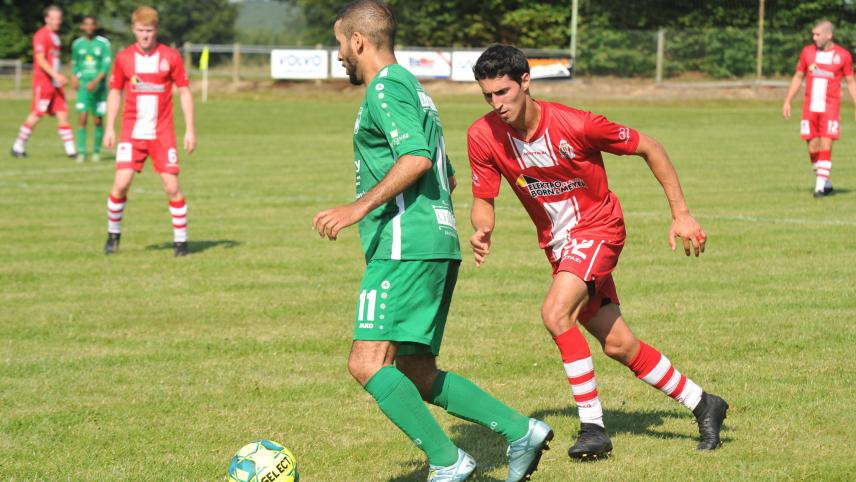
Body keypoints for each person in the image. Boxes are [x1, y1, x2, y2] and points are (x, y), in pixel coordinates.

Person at [312, 3, 551, 481]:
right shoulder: (413, 89)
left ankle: (448, 460)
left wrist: (358, 207)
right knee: (416, 370)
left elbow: (417, 158)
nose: (339, 54)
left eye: (340, 43)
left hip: (406, 244)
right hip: (434, 241)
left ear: (358, 41)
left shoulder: (384, 87)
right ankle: (520, 431)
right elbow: (449, 174)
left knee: (366, 362)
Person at [466, 44, 729, 461]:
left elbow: (651, 147)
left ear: (525, 82)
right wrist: (483, 227)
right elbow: (484, 197)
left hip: (599, 230)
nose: (496, 104)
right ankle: (703, 403)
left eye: (503, 92)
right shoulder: (482, 136)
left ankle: (593, 427)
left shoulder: (577, 124)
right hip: (560, 246)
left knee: (555, 313)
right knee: (619, 345)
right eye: (488, 96)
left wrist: (682, 214)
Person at [102, 5, 196, 257]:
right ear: (133, 29)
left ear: (157, 31)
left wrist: (190, 130)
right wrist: (109, 127)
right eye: (141, 30)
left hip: (162, 133)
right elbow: (114, 92)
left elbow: (185, 91)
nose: (145, 36)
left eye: (150, 31)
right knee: (121, 184)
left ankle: (181, 243)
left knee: (172, 187)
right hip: (131, 133)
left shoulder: (170, 56)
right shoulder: (123, 58)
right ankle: (113, 235)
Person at [783, 19, 856, 198]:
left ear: (828, 35)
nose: (813, 37)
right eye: (813, 34)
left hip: (830, 108)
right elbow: (798, 76)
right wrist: (788, 100)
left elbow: (851, 82)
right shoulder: (807, 52)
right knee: (812, 147)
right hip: (810, 108)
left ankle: (819, 188)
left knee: (826, 143)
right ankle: (825, 182)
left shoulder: (843, 55)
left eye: (817, 34)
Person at [10, 5, 76, 159]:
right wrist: (56, 75)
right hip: (44, 82)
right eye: (53, 18)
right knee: (38, 113)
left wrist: (58, 77)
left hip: (55, 83)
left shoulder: (56, 36)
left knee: (63, 114)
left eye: (59, 18)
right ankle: (18, 146)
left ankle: (71, 151)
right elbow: (40, 59)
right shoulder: (41, 35)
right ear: (46, 19)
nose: (57, 21)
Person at [71, 15, 112, 163]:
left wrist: (95, 81)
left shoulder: (103, 44)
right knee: (82, 118)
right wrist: (74, 77)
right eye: (86, 25)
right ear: (82, 27)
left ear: (95, 26)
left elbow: (105, 66)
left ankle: (96, 151)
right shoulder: (77, 44)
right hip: (83, 86)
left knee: (97, 119)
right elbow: (75, 63)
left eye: (91, 25)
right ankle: (81, 152)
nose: (88, 27)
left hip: (98, 88)